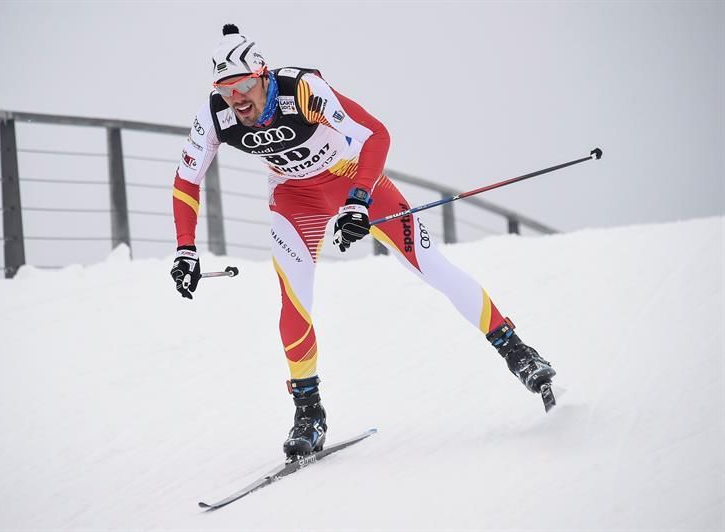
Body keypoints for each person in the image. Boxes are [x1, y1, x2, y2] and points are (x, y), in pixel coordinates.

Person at [170, 24, 556, 458]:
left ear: (262, 75)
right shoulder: (214, 115)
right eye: (225, 88)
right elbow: (187, 178)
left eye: (243, 84)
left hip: (354, 181)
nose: (236, 97)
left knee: (433, 267)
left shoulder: (302, 90)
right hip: (295, 201)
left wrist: (358, 199)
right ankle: (308, 413)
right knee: (294, 302)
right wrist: (186, 246)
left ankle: (519, 352)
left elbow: (376, 133)